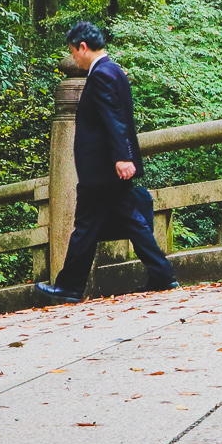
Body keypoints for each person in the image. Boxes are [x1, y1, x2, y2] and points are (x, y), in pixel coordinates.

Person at [34, 21, 178, 303]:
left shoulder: (101, 75)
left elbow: (115, 119)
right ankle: (162, 275)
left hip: (102, 170)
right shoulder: (114, 71)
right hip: (107, 170)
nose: (73, 57)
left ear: (83, 47)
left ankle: (69, 288)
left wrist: (122, 157)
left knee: (86, 227)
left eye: (73, 51)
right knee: (131, 222)